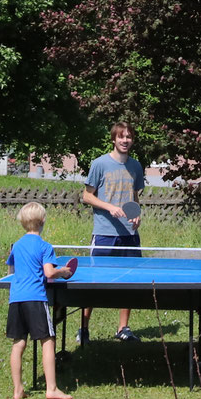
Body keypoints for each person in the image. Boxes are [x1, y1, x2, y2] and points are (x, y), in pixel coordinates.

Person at [77, 123, 146, 343]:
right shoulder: (100, 164)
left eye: (129, 137)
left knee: (130, 282)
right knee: (92, 281)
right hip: (105, 233)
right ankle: (83, 328)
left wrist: (137, 214)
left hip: (129, 234)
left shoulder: (136, 166)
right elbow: (87, 196)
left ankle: (123, 328)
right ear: (114, 140)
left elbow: (134, 197)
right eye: (121, 137)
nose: (125, 140)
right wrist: (109, 207)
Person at [5, 202, 77, 399]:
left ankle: (18, 390)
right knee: (48, 341)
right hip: (35, 298)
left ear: (22, 223)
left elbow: (12, 269)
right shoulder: (45, 246)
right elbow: (49, 272)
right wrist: (63, 272)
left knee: (18, 343)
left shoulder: (17, 245)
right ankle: (52, 388)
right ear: (43, 221)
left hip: (16, 299)